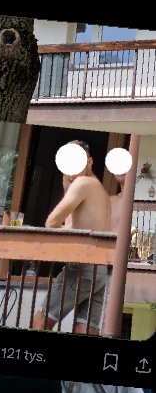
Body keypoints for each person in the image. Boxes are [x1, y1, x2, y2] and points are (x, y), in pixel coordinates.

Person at [33, 141, 116, 334]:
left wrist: (69, 188)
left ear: (89, 162)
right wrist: (66, 188)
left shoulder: (82, 183)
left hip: (82, 266)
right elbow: (73, 227)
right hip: (100, 271)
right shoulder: (101, 191)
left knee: (40, 321)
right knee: (84, 329)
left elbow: (51, 223)